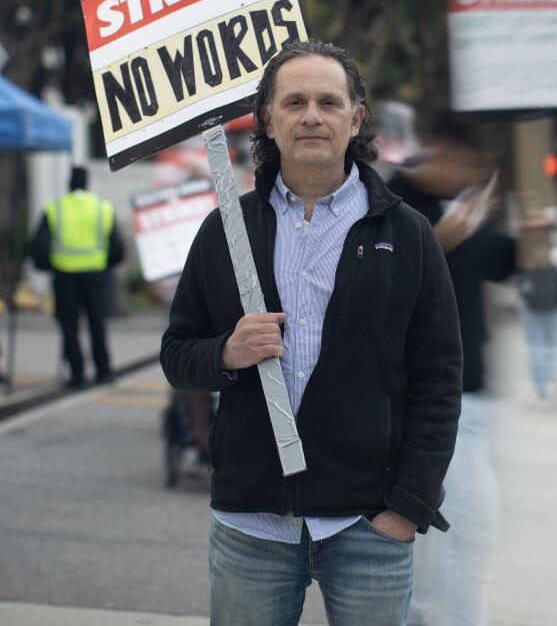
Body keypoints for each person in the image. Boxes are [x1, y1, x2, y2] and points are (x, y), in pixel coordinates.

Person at [160, 39, 463, 626]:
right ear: (268, 121)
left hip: (368, 528)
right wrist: (227, 351)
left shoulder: (408, 235)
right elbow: (177, 355)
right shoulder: (226, 229)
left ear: (357, 119)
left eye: (328, 101)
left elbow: (439, 382)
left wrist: (408, 508)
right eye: (294, 102)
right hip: (251, 528)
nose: (311, 116)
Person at [387, 116, 518, 626]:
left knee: (435, 540)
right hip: (425, 398)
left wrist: (534, 229)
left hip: (474, 397)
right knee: (468, 534)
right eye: (465, 163)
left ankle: (414, 616)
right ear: (439, 151)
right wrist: (436, 241)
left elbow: (509, 263)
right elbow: (374, 283)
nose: (468, 174)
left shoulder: (469, 211)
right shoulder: (392, 203)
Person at [31, 166, 125, 389]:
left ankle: (77, 375)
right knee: (97, 324)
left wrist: (48, 266)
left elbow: (39, 246)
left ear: (69, 183)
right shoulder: (102, 208)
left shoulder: (55, 208)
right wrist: (104, 265)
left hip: (64, 276)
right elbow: (117, 248)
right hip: (95, 275)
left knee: (69, 327)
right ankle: (103, 372)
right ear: (87, 183)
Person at [518, 224, 557, 403]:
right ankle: (556, 379)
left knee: (535, 347)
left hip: (530, 306)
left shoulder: (525, 250)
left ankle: (540, 387)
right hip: (555, 306)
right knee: (554, 345)